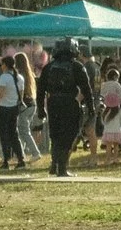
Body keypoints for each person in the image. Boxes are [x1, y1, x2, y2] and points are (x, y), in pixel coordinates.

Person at [37, 42, 92, 176]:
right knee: (68, 135)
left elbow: (40, 90)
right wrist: (91, 107)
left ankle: (54, 164)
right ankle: (62, 167)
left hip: (52, 103)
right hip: (69, 103)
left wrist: (40, 108)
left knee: (55, 135)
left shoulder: (48, 67)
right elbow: (86, 88)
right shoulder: (77, 67)